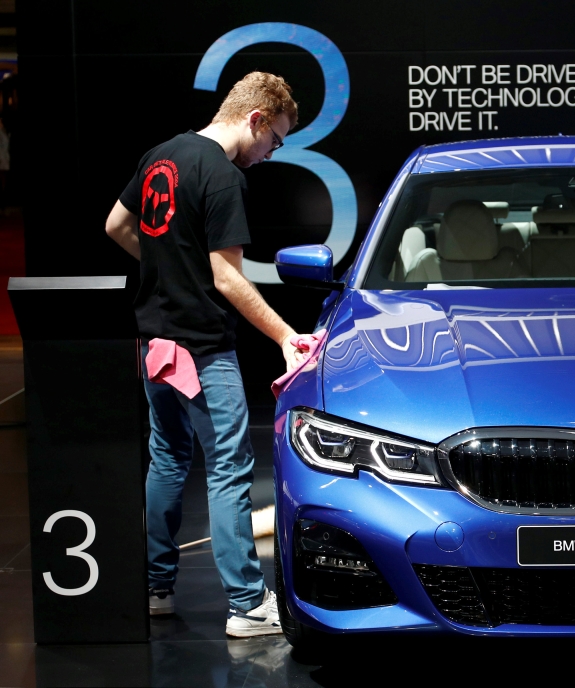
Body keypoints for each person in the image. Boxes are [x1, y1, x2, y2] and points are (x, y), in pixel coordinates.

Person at [105, 72, 307, 637]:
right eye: (277, 139)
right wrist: (286, 336)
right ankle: (247, 604)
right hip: (200, 350)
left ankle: (155, 588)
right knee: (228, 468)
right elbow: (227, 277)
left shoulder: (160, 156)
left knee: (168, 458)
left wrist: (168, 263)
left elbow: (116, 225)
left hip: (152, 345)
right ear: (256, 119)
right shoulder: (222, 175)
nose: (271, 153)